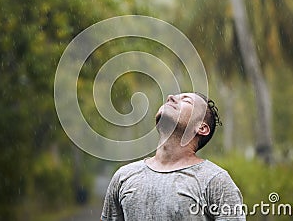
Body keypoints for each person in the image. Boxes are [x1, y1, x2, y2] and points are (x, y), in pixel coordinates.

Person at [101, 92, 245, 220]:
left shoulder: (216, 181)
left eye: (187, 100)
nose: (171, 97)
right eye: (174, 97)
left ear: (201, 127)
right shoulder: (124, 176)